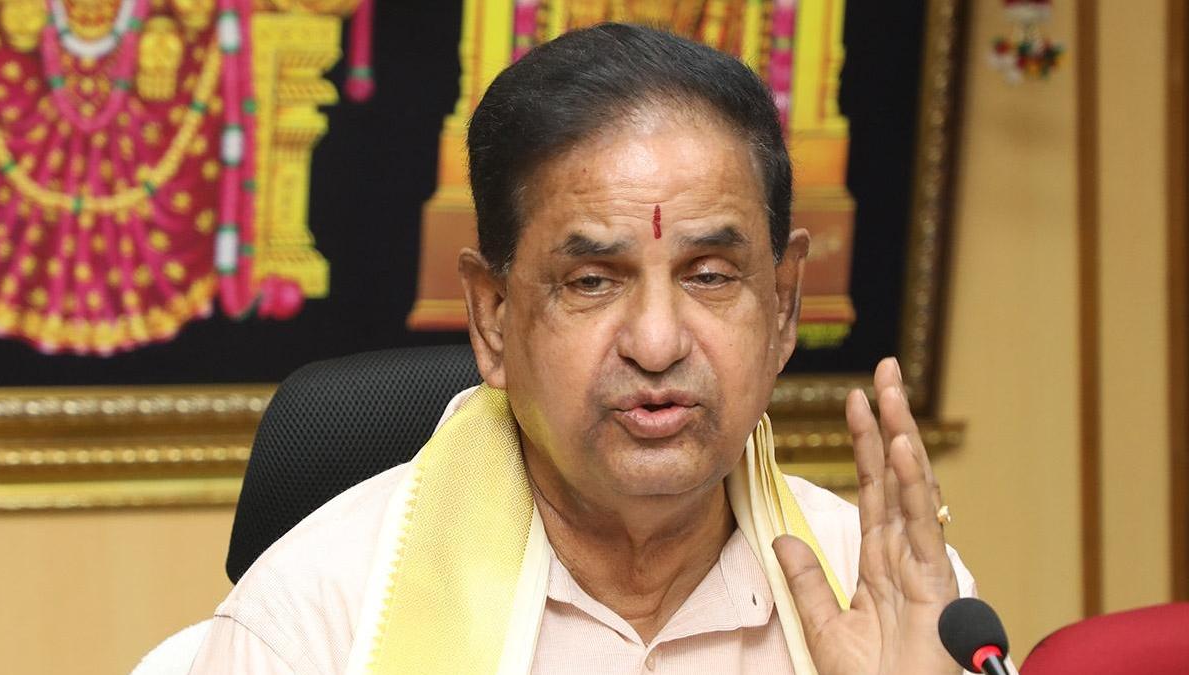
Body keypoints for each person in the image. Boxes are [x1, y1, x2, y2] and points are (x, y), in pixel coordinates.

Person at [190, 23, 986, 674]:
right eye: (592, 281)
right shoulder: (315, 624)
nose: (657, 343)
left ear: (782, 307)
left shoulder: (896, 602)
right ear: (493, 317)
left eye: (710, 275)